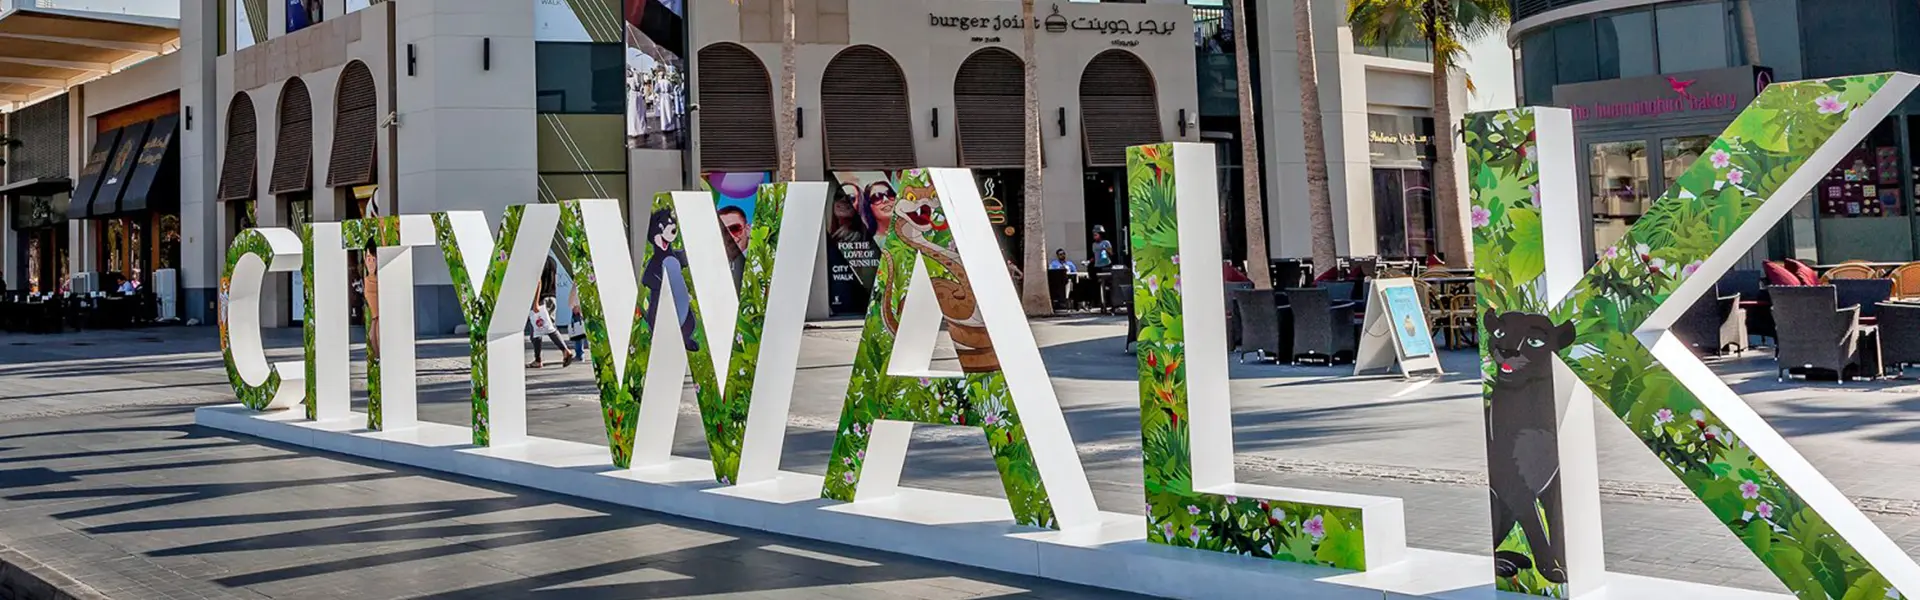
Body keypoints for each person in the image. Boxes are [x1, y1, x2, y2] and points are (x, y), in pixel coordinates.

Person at [528, 257, 574, 368]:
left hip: (541, 299)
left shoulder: (538, 261)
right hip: (552, 297)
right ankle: (540, 358)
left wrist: (535, 302)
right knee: (546, 327)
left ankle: (541, 359)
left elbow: (538, 281)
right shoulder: (552, 261)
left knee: (538, 330)